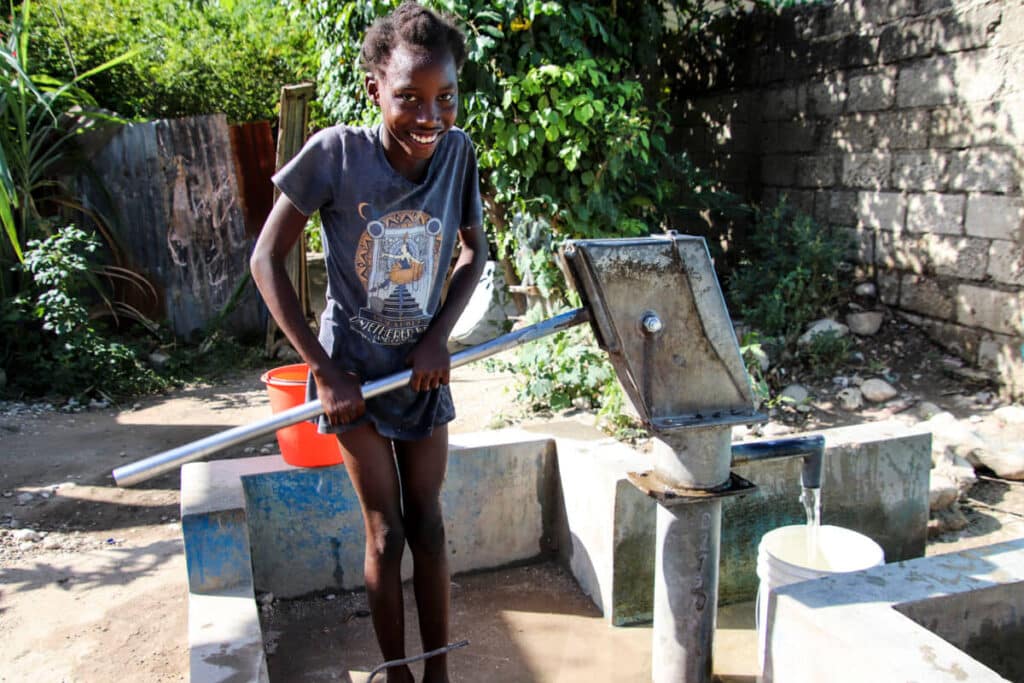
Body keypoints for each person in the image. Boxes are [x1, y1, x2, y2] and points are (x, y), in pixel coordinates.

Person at [250, 3, 487, 681]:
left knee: (429, 526)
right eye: (409, 97)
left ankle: (436, 672)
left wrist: (438, 336)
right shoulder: (334, 154)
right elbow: (266, 260)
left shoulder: (458, 153)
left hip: (421, 373)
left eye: (445, 99)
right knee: (385, 529)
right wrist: (323, 371)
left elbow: (474, 252)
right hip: (352, 372)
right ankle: (400, 674)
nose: (429, 117)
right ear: (374, 91)